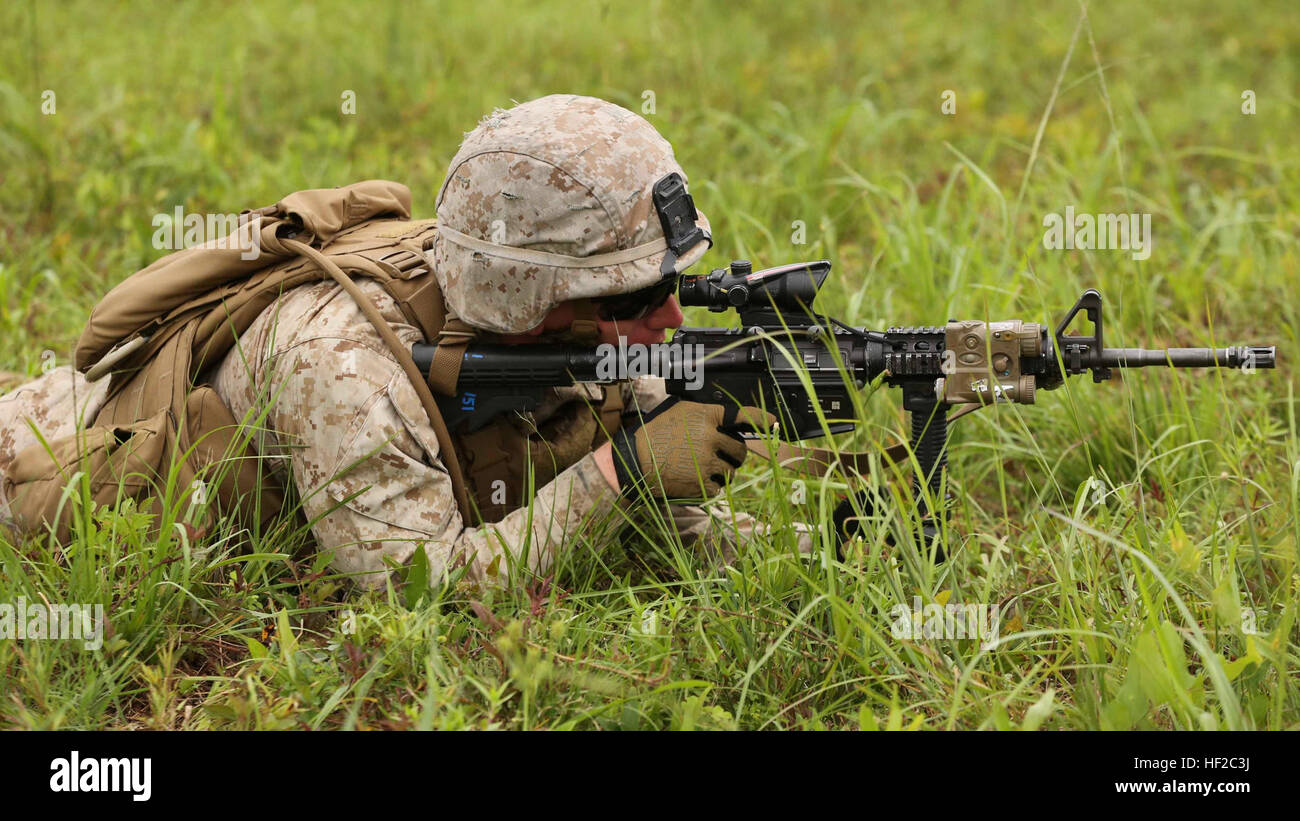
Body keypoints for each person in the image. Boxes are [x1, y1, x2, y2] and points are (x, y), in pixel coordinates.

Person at [0, 94, 811, 590]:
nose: (670, 319)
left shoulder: (547, 311)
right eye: (640, 296)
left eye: (673, 286)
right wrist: (620, 471)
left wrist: (808, 543)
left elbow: (659, 525)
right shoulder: (349, 371)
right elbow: (421, 598)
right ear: (532, 300)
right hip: (64, 457)